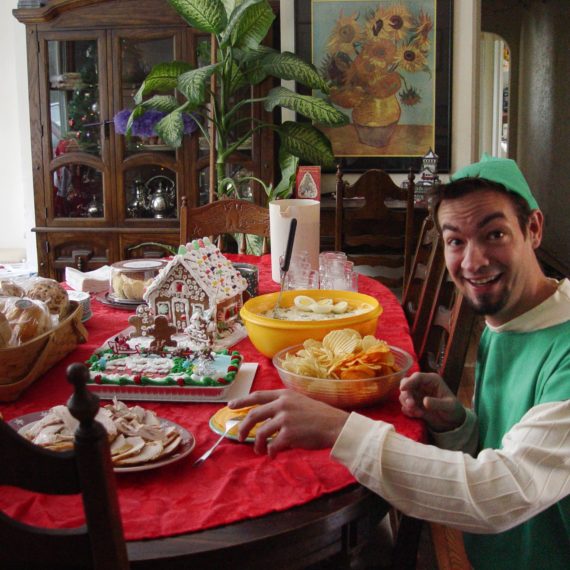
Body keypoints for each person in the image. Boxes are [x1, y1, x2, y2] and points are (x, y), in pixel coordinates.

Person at [229, 155, 570, 569]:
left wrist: (340, 429)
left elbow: (501, 492)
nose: (473, 261)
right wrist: (458, 425)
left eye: (494, 234)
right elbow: (509, 445)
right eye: (455, 241)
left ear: (533, 229)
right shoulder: (509, 320)